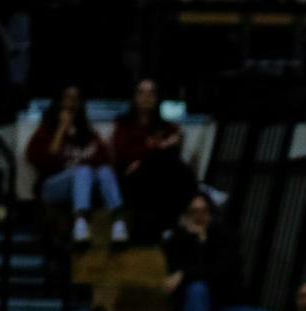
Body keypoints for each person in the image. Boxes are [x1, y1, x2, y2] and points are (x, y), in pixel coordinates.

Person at [163, 192, 274, 311]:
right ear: (186, 216)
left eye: (203, 211)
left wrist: (185, 273)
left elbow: (220, 271)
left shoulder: (226, 238)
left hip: (225, 307)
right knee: (197, 289)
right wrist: (195, 242)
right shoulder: (177, 241)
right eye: (194, 212)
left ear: (211, 213)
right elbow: (182, 278)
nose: (199, 217)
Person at [25, 84, 127, 246]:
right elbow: (43, 162)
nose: (71, 103)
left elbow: (105, 161)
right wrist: (61, 129)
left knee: (103, 171)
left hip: (84, 184)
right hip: (52, 186)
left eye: (75, 99)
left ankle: (119, 222)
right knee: (83, 170)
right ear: (59, 102)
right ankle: (80, 223)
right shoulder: (46, 131)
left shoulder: (89, 134)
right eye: (67, 98)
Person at [110, 79, 198, 244]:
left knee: (169, 160)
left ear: (157, 98)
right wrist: (156, 147)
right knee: (164, 155)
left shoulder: (164, 125)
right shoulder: (123, 124)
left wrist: (151, 152)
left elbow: (175, 139)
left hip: (158, 178)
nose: (146, 97)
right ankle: (199, 193)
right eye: (142, 92)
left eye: (151, 93)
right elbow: (122, 153)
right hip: (132, 181)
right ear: (135, 97)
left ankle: (176, 219)